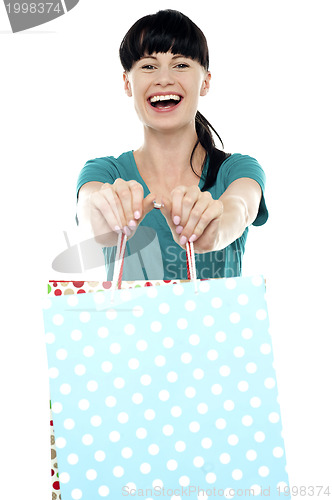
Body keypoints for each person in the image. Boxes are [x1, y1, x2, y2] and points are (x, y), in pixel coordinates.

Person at [76, 9, 268, 281]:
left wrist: (216, 229)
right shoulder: (105, 173)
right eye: (148, 66)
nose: (163, 79)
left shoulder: (236, 170)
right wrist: (101, 220)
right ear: (127, 82)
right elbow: (89, 213)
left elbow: (240, 207)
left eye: (180, 64)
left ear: (206, 82)